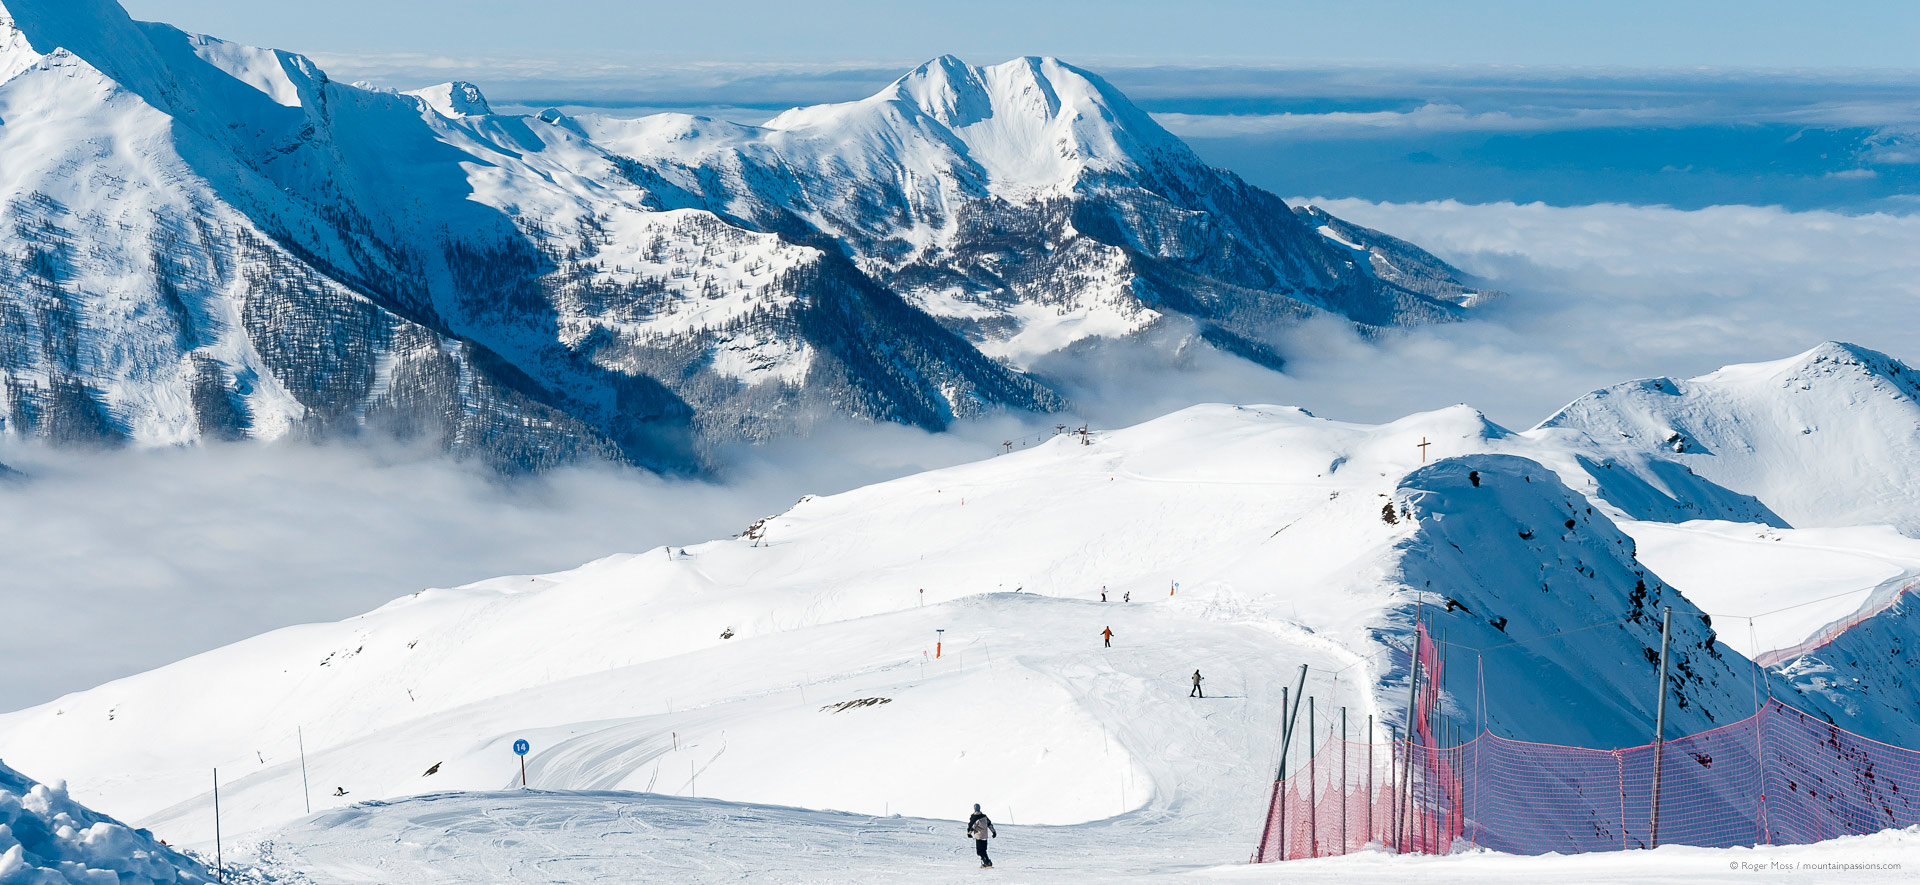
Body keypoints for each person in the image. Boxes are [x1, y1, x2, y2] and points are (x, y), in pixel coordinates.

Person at [967, 803, 997, 868]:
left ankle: (987, 863)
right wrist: (994, 832)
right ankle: (986, 862)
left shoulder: (974, 817)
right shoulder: (984, 816)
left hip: (979, 837)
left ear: (974, 809)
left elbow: (972, 826)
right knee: (983, 850)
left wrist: (969, 833)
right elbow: (989, 825)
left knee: (980, 852)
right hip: (985, 836)